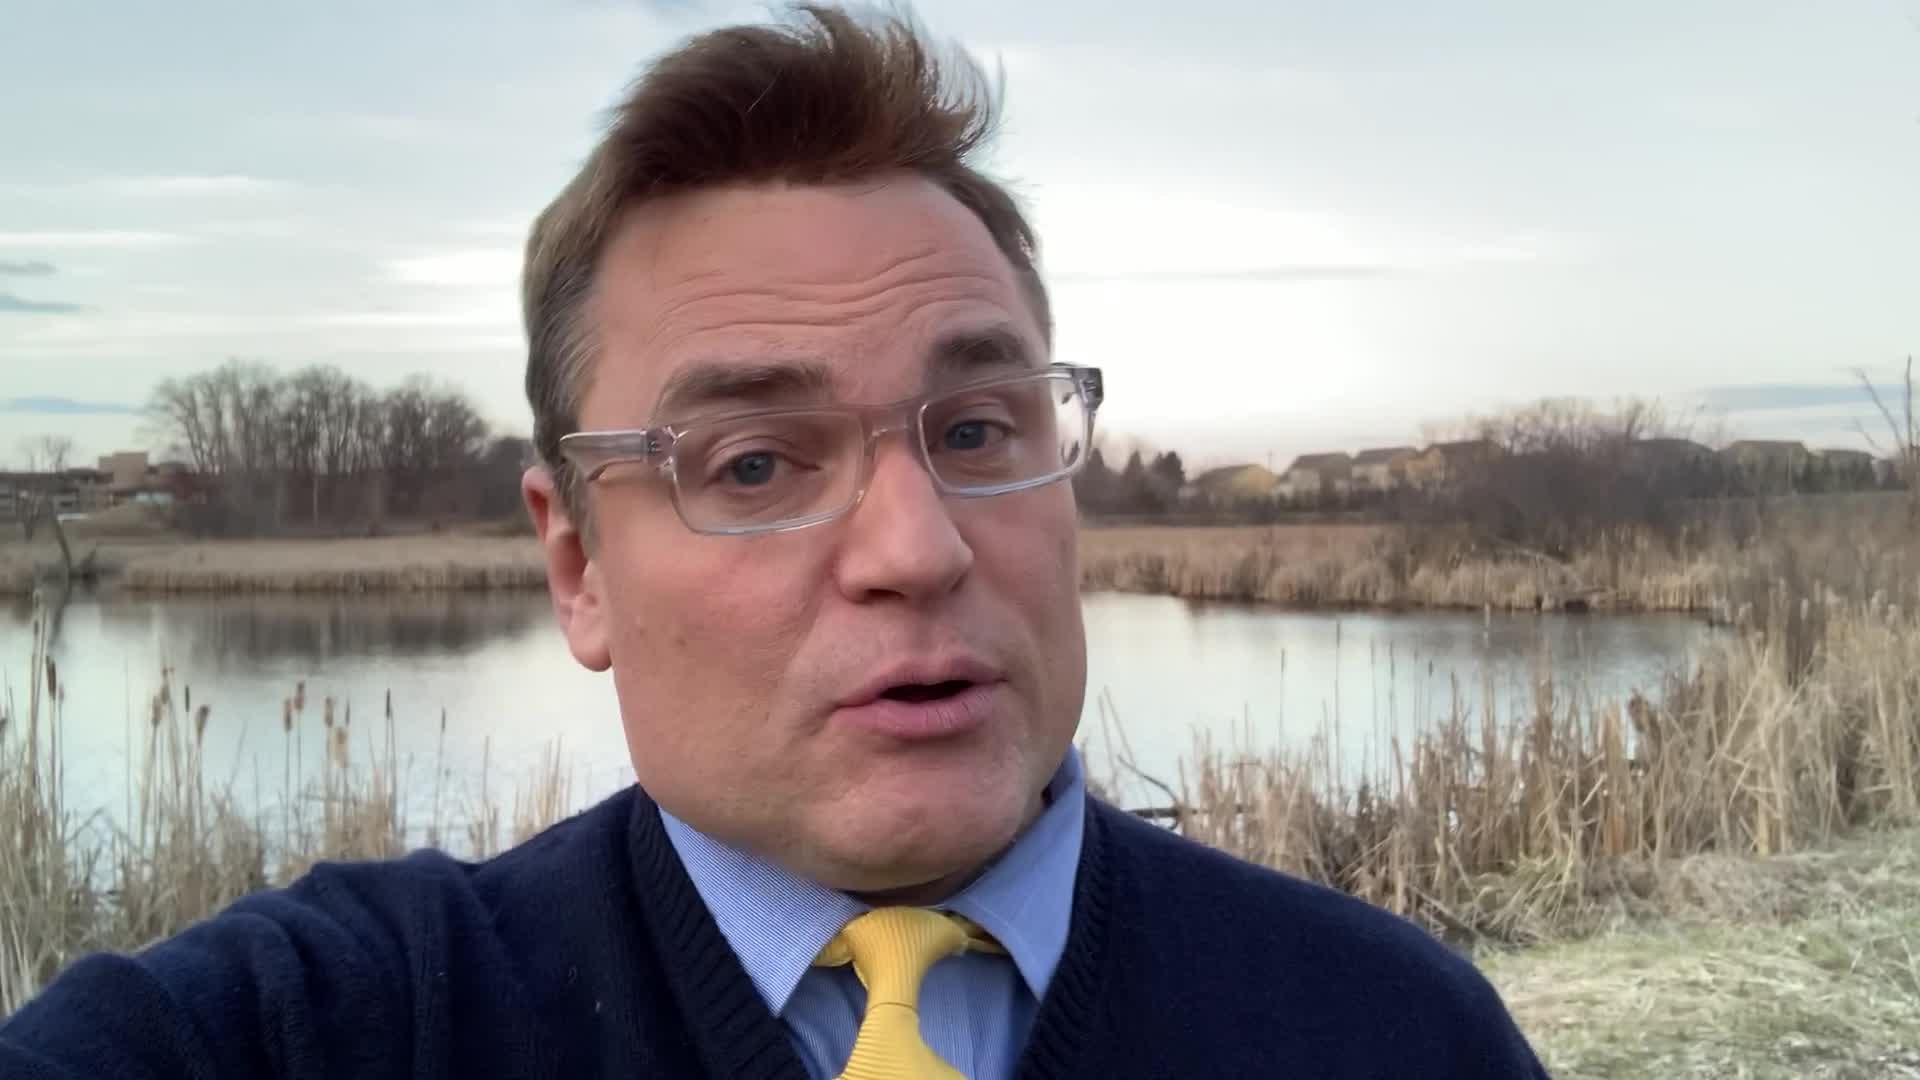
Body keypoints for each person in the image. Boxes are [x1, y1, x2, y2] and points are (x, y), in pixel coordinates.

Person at [0, 5, 1548, 1077]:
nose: (915, 550)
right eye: (751, 462)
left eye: (976, 432)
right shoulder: (332, 1030)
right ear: (578, 568)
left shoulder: (1396, 1033)